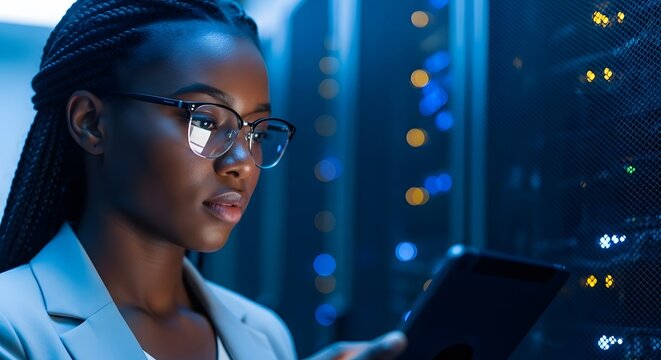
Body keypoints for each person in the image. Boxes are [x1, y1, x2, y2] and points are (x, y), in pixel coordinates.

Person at [0, 0, 407, 359]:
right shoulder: (12, 326)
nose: (243, 162)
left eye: (258, 132)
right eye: (206, 121)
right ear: (91, 123)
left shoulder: (265, 333)